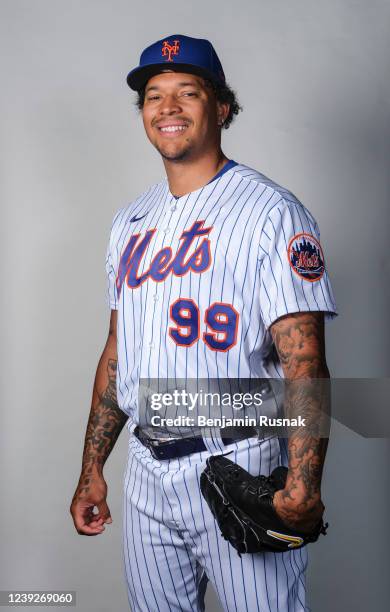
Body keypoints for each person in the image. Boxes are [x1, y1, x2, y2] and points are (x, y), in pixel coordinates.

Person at [70, 34, 337, 612]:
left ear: (221, 108)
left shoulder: (272, 212)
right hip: (145, 469)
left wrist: (302, 486)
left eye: (187, 92)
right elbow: (119, 350)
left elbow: (304, 360)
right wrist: (93, 467)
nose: (167, 107)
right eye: (153, 95)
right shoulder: (130, 222)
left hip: (238, 460)